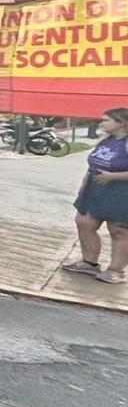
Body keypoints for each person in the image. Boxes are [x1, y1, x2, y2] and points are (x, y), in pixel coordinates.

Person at [62, 108, 128, 284]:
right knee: (84, 222)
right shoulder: (107, 140)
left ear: (121, 123)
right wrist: (85, 182)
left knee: (119, 231)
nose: (103, 123)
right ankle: (89, 262)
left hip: (121, 194)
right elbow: (93, 166)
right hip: (95, 191)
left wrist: (113, 177)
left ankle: (116, 270)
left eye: (107, 120)